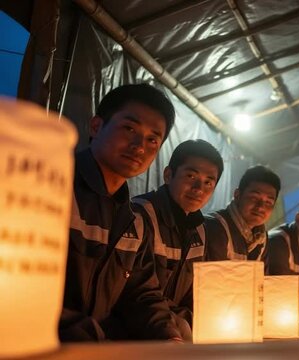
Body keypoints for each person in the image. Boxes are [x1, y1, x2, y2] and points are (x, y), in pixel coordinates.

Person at [61, 84, 183, 341]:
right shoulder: (54, 187)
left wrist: (170, 337)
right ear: (96, 127)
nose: (140, 146)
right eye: (129, 128)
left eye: (153, 139)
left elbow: (141, 293)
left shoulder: (133, 222)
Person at [132, 140, 223, 340]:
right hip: (139, 336)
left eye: (209, 182)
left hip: (174, 330)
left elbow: (197, 294)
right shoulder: (140, 216)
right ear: (168, 175)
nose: (199, 188)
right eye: (190, 176)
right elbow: (136, 294)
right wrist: (178, 323)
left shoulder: (199, 228)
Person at [205, 165, 280, 261]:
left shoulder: (261, 237)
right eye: (254, 198)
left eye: (268, 202)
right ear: (237, 195)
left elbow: (261, 275)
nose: (260, 207)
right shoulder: (215, 226)